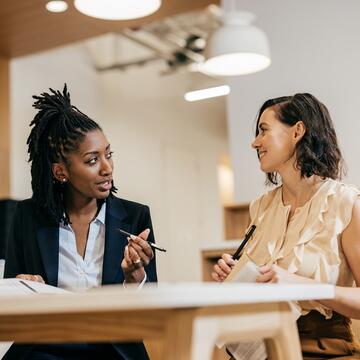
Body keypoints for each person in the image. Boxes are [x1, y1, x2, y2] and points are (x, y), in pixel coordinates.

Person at [4, 85, 157, 360]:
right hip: (45, 349)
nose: (107, 168)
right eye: (92, 160)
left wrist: (135, 279)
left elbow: (149, 311)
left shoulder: (136, 217)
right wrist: (23, 285)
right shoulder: (27, 217)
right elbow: (8, 300)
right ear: (61, 172)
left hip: (112, 351)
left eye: (108, 155)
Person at [212, 93, 360, 359]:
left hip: (321, 348)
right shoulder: (260, 207)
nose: (254, 142)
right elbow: (263, 280)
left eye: (263, 130)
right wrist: (235, 276)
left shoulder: (346, 203)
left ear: (297, 131)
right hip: (258, 346)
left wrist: (299, 284)